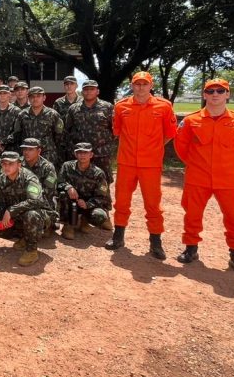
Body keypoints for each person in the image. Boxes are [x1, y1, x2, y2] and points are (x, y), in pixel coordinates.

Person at [173, 78, 234, 276]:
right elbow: (181, 146)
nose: (215, 95)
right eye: (210, 91)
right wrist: (196, 164)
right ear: (204, 95)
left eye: (220, 91)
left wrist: (232, 166)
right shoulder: (191, 120)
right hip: (198, 177)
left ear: (227, 94)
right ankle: (191, 249)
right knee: (192, 214)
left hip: (229, 179)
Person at [107, 71, 178, 258]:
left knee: (153, 203)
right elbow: (117, 131)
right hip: (126, 162)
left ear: (151, 86)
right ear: (132, 85)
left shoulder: (164, 106)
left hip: (151, 164)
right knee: (122, 200)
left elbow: (170, 133)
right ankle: (118, 236)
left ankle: (156, 242)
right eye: (137, 84)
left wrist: (155, 147)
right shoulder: (121, 106)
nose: (140, 87)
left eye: (144, 84)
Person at [0, 152, 55, 266]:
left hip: (40, 215)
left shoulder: (29, 178)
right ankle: (25, 237)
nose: (7, 167)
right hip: (18, 216)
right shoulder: (2, 179)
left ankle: (31, 251)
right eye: (4, 164)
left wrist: (11, 210)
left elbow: (36, 201)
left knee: (31, 215)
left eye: (11, 164)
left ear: (19, 165)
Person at [57, 143, 114, 240]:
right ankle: (68, 224)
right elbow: (59, 183)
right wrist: (68, 187)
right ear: (75, 154)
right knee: (62, 194)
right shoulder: (67, 166)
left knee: (100, 216)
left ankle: (85, 220)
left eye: (85, 153)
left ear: (91, 155)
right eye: (79, 152)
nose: (82, 155)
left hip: (89, 205)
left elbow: (102, 197)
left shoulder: (98, 173)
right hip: (71, 203)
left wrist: (87, 204)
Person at [64, 80, 116, 181]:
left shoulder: (107, 107)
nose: (88, 92)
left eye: (92, 89)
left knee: (103, 182)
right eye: (86, 89)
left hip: (101, 154)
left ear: (97, 91)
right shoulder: (73, 109)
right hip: (81, 154)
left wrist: (108, 147)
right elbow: (67, 130)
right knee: (79, 182)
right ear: (82, 92)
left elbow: (114, 129)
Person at [13, 86, 65, 168]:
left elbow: (59, 136)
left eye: (38, 96)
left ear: (44, 98)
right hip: (28, 155)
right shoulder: (22, 115)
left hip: (48, 154)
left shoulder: (53, 114)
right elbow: (17, 134)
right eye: (32, 96)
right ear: (28, 98)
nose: (35, 99)